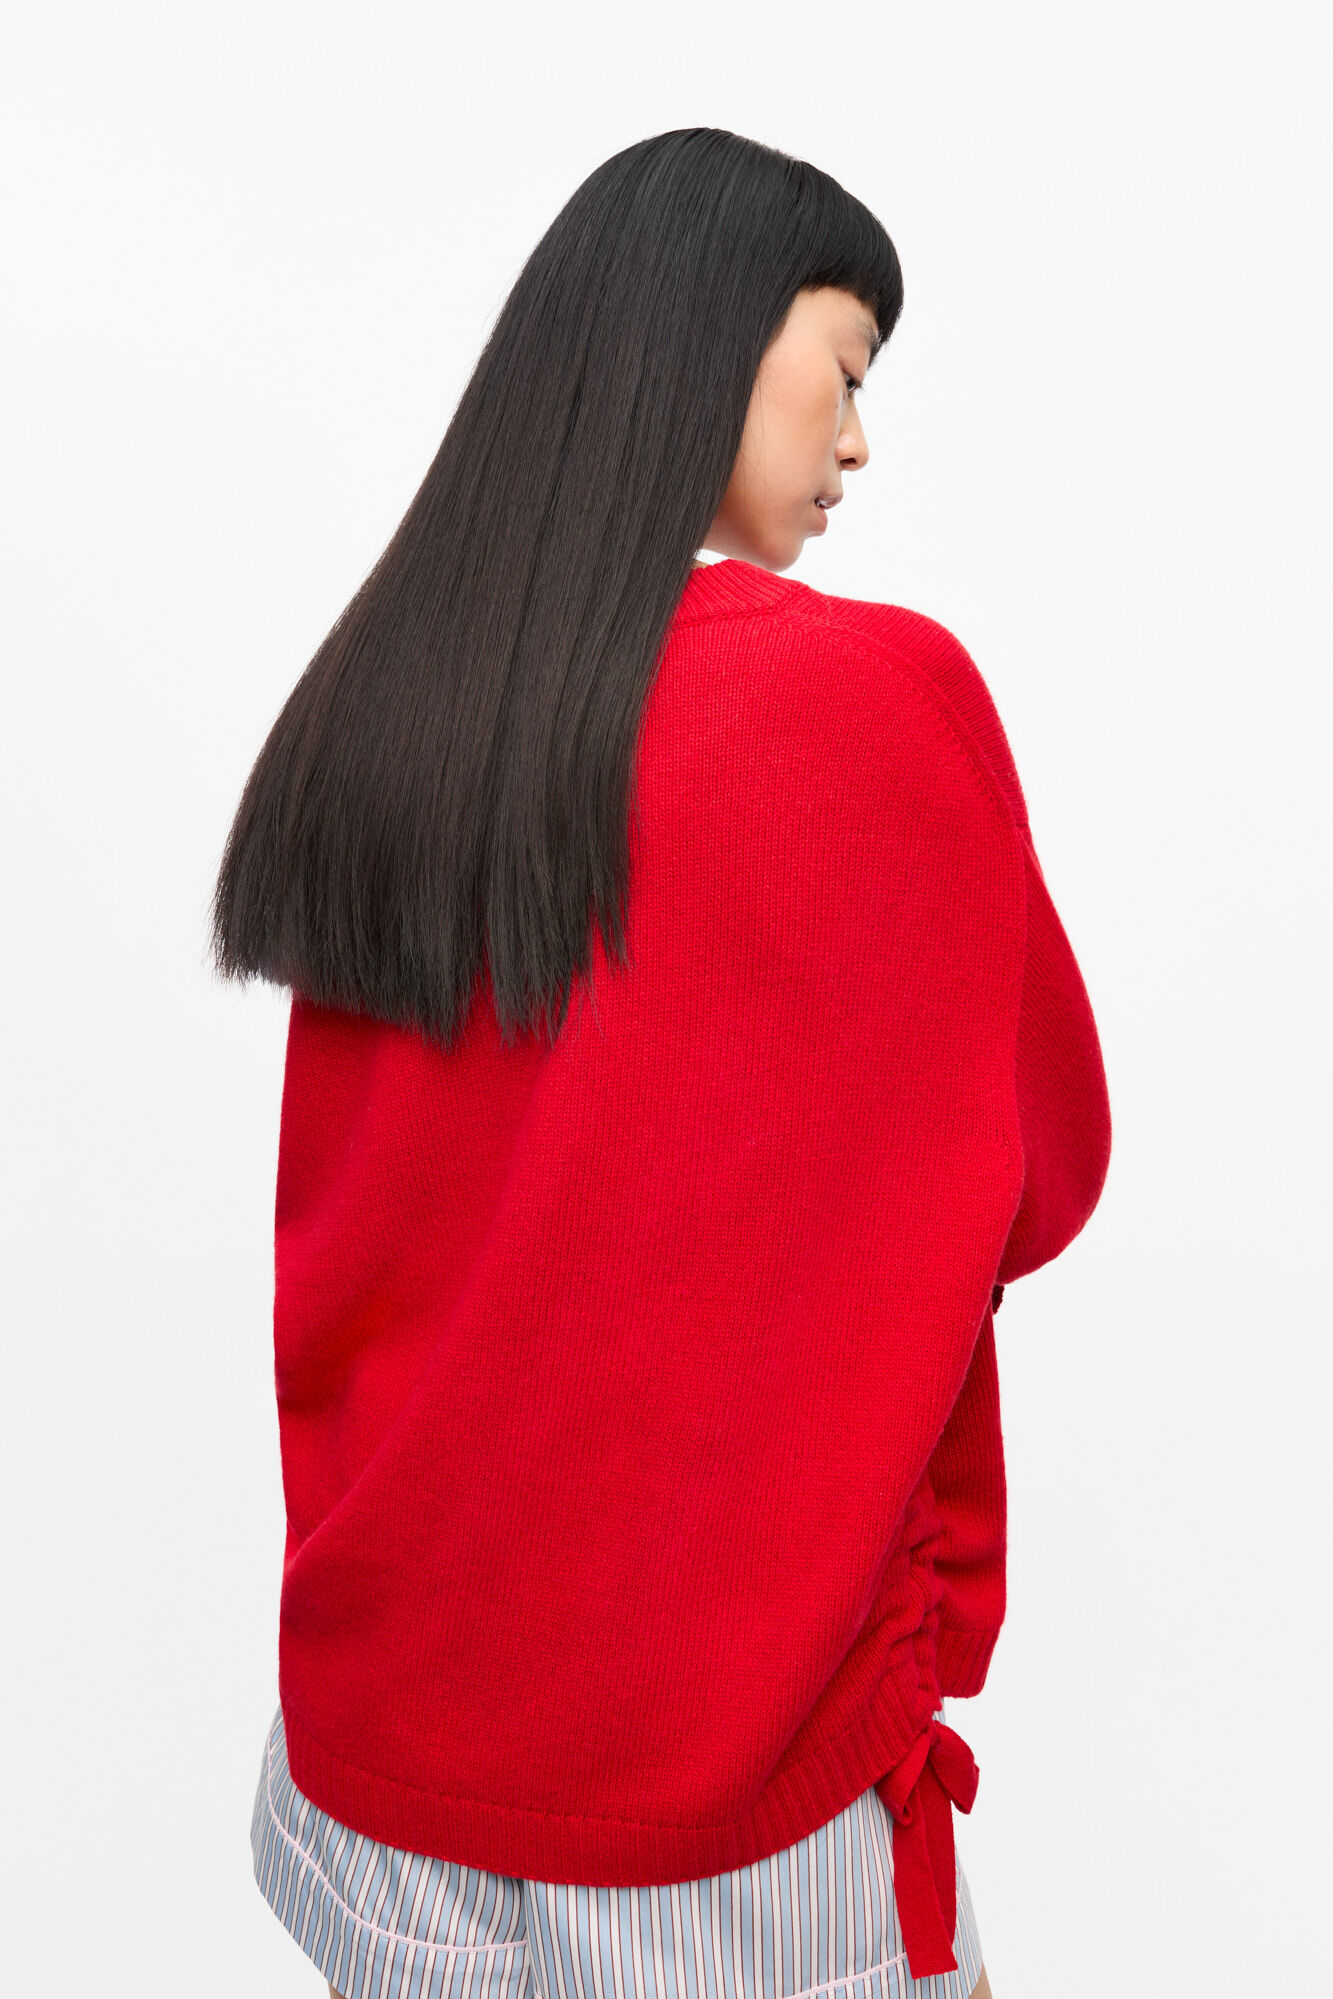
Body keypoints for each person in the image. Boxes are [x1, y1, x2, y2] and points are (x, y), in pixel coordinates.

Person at [219, 127, 1111, 1999]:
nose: (856, 440)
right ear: (711, 326)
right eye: (844, 369)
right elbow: (1039, 1172)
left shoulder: (386, 701)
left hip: (378, 1759)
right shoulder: (874, 701)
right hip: (714, 1791)